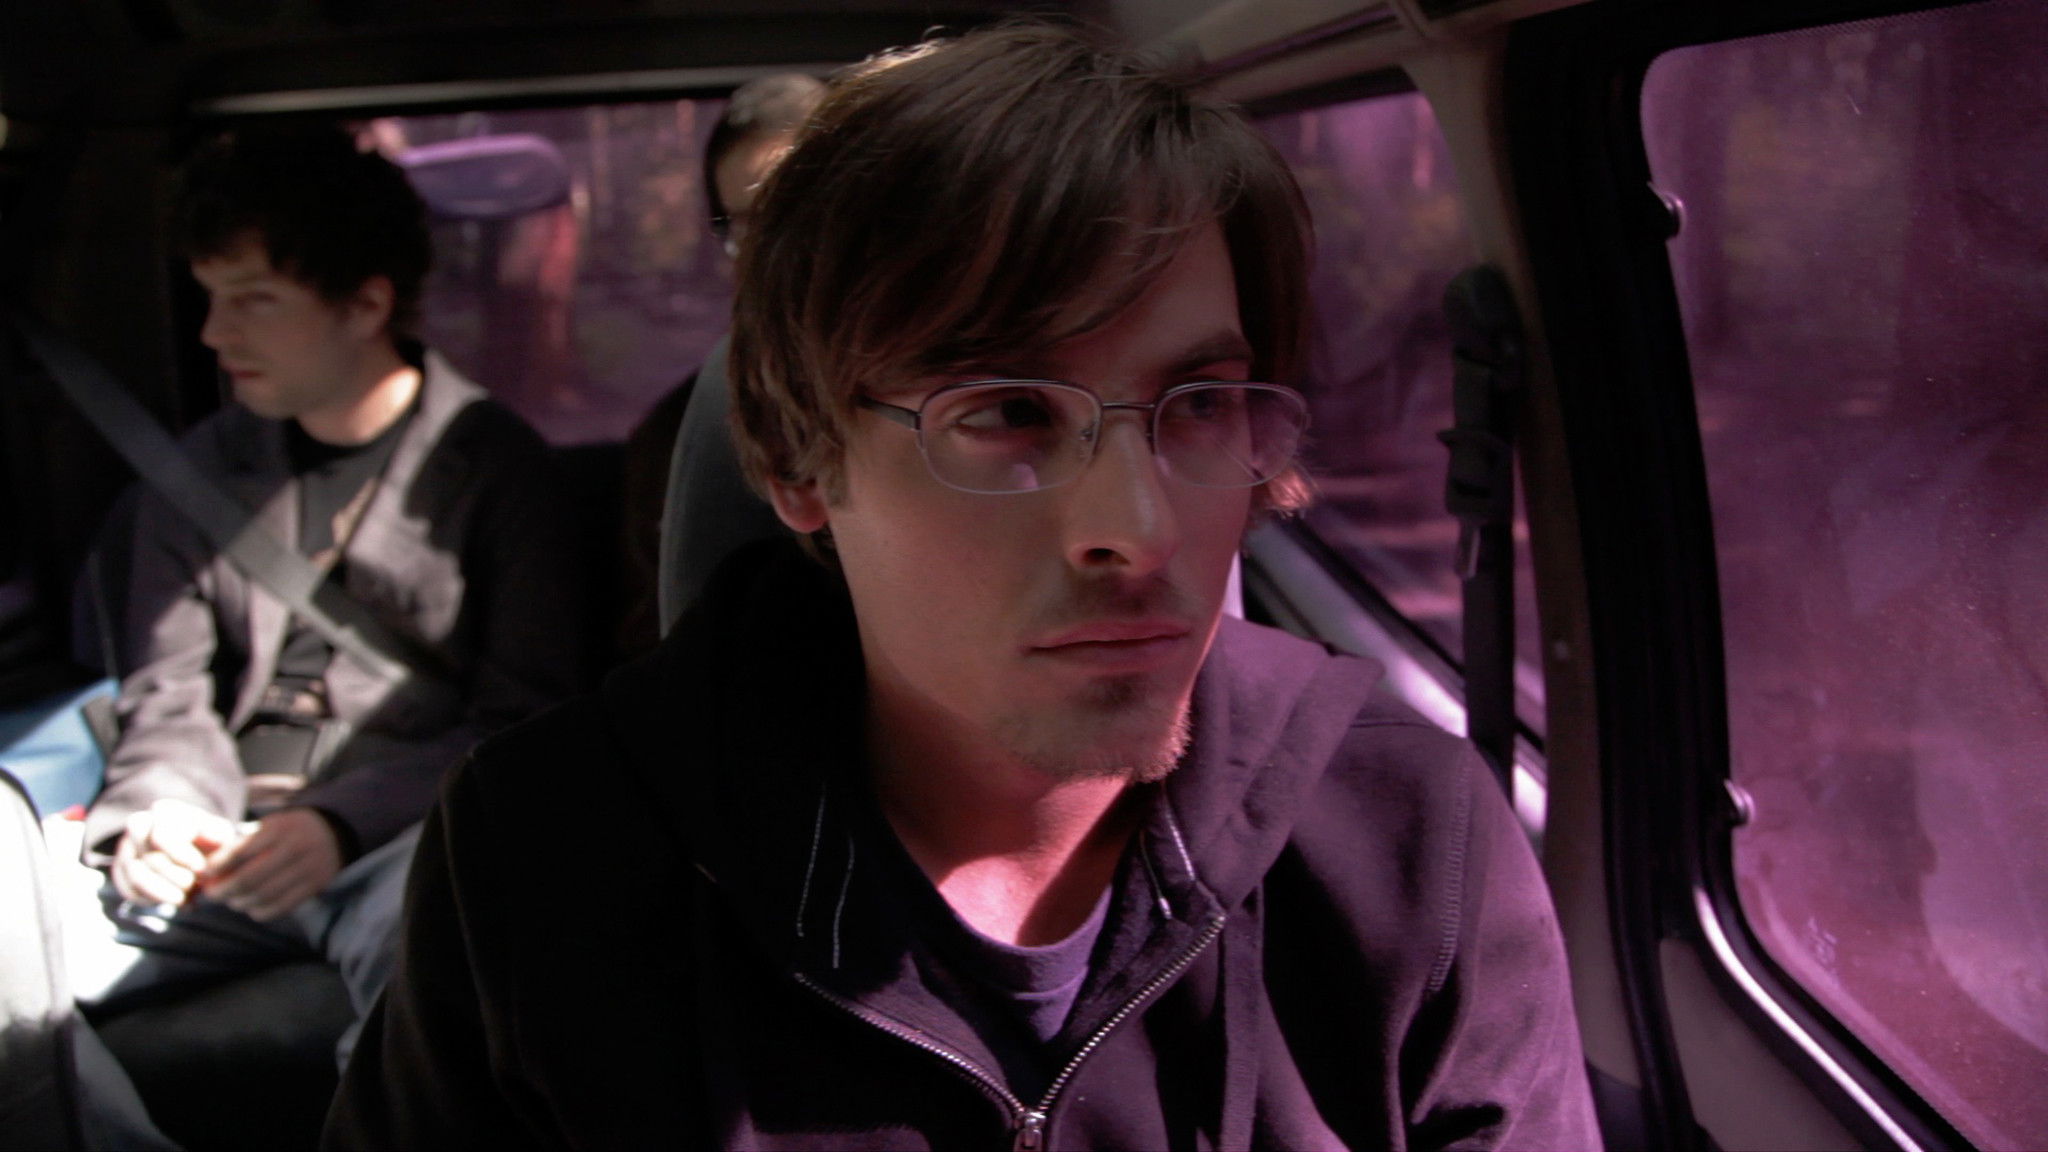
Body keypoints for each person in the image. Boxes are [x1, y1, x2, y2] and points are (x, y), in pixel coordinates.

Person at [329, 23, 1599, 1150]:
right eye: (1006, 412)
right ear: (797, 459)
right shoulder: (544, 861)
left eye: (1199, 403)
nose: (1137, 530)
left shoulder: (1409, 836)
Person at [67, 124, 592, 1074]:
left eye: (254, 301)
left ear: (366, 304)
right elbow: (165, 693)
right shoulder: (194, 474)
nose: (215, 334)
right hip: (212, 835)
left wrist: (342, 822)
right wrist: (162, 811)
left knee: (452, 973)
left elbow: (525, 719)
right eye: (210, 298)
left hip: (401, 835)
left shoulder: (496, 470)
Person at [617, 72, 825, 652]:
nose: (779, 250)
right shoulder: (683, 435)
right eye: (751, 226)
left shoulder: (944, 388)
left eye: (801, 211)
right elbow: (658, 643)